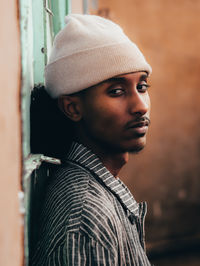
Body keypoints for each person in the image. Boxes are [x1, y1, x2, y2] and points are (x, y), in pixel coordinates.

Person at [31, 14, 152, 265]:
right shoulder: (86, 219)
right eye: (116, 92)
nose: (141, 106)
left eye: (142, 87)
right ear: (73, 108)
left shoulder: (97, 192)